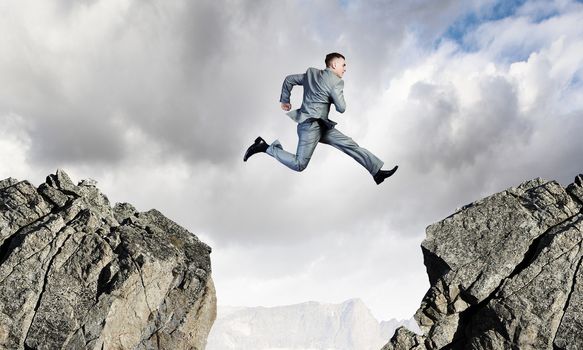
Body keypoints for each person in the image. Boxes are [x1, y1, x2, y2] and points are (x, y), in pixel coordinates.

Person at [243, 52, 398, 185]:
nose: (345, 69)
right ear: (334, 65)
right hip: (310, 127)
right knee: (299, 164)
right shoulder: (336, 82)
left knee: (349, 145)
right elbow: (342, 108)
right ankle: (265, 147)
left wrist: (285, 100)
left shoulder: (311, 74)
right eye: (343, 65)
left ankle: (376, 172)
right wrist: (335, 94)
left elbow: (289, 79)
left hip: (321, 126)